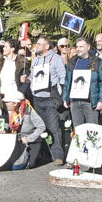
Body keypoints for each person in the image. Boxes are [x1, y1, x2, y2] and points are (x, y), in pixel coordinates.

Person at [28, 35, 66, 165]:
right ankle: (44, 155)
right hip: (37, 99)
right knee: (41, 127)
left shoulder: (56, 58)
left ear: (47, 46)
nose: (36, 46)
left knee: (54, 127)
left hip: (50, 98)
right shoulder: (34, 61)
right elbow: (32, 77)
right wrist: (27, 79)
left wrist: (60, 94)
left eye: (39, 44)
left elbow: (62, 76)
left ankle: (58, 155)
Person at [62, 38, 102, 135]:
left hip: (90, 103)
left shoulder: (98, 62)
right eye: (77, 47)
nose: (78, 49)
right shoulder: (72, 62)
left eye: (81, 46)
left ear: (88, 47)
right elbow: (67, 81)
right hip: (75, 102)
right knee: (78, 132)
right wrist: (65, 98)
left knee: (92, 132)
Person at [6, 98, 48, 170]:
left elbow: (41, 126)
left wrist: (29, 138)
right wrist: (4, 129)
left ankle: (40, 154)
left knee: (31, 164)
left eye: (7, 102)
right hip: (18, 139)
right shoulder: (9, 111)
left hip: (32, 140)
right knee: (15, 165)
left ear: (15, 103)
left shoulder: (29, 110)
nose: (6, 104)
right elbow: (6, 123)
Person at [0, 38, 30, 105]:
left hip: (14, 100)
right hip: (1, 98)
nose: (3, 48)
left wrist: (20, 93)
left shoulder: (22, 63)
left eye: (6, 47)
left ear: (12, 49)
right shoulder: (0, 61)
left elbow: (26, 81)